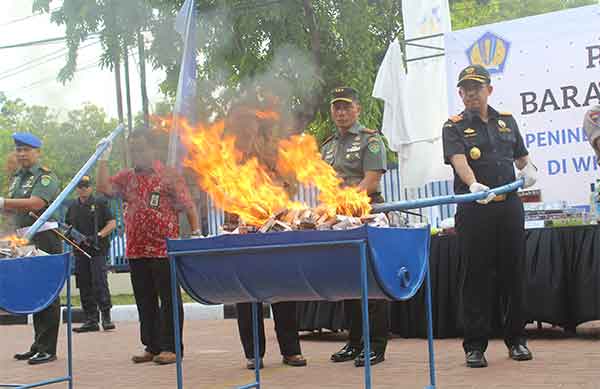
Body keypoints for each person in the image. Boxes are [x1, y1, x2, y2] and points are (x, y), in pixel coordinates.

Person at [442, 64, 537, 368]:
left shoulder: (507, 122)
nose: (471, 93)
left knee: (514, 272)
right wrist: (472, 184)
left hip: (508, 206)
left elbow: (521, 157)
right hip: (475, 208)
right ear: (460, 93)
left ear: (489, 90)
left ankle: (517, 340)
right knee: (475, 276)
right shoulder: (453, 125)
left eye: (476, 88)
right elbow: (459, 161)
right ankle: (475, 346)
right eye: (465, 89)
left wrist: (529, 169)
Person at [96, 128, 201, 365]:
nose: (136, 153)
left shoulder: (168, 176)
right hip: (136, 249)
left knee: (169, 300)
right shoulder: (126, 178)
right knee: (145, 300)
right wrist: (103, 158)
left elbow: (189, 206)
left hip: (164, 249)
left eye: (140, 147)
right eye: (133, 148)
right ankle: (152, 346)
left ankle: (171, 347)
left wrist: (195, 235)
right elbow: (103, 188)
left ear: (152, 149)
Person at [224, 92, 307, 370]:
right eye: (239, 121)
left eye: (248, 120)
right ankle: (253, 353)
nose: (244, 126)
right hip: (244, 230)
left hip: (275, 226)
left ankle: (291, 350)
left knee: (283, 288)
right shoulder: (228, 155)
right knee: (246, 292)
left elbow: (291, 184)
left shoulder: (274, 149)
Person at [321, 86, 388, 367]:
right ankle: (355, 341)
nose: (341, 112)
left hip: (366, 211)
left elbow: (371, 181)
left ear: (357, 109)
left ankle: (376, 345)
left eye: (347, 106)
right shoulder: (326, 146)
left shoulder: (370, 140)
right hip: (339, 218)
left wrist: (349, 204)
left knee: (371, 282)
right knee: (348, 281)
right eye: (337, 107)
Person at [0, 132, 61, 365]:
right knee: (34, 290)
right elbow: (14, 210)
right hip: (23, 238)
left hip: (44, 236)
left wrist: (5, 202)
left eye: (26, 150)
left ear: (37, 152)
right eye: (19, 150)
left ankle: (48, 348)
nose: (22, 154)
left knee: (47, 290)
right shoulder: (17, 177)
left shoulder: (45, 177)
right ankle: (38, 345)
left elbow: (37, 203)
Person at [65, 175, 116, 333]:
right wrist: (69, 236)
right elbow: (67, 225)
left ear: (91, 187)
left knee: (99, 282)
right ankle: (91, 320)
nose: (82, 189)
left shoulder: (99, 202)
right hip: (80, 250)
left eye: (85, 186)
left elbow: (112, 223)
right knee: (84, 283)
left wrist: (99, 235)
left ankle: (106, 317)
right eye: (79, 186)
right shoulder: (73, 206)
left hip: (97, 249)